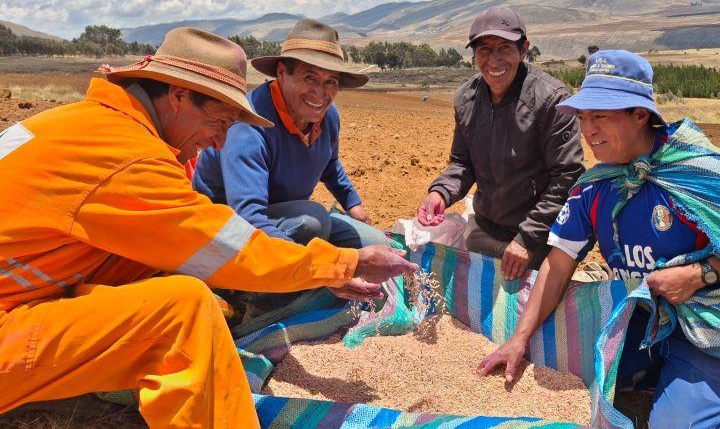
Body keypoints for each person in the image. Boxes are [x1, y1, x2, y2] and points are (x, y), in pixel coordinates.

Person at [0, 27, 415, 428]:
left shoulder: (83, 125)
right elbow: (232, 245)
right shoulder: (128, 158)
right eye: (219, 122)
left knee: (183, 284)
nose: (219, 143)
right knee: (184, 312)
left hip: (24, 292)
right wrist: (340, 265)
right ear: (179, 96)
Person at [476, 50, 720, 428]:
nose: (587, 131)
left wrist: (699, 275)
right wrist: (519, 339)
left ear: (640, 115)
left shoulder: (700, 173)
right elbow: (557, 265)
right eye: (583, 118)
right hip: (643, 319)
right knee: (560, 359)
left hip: (710, 321)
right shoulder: (596, 188)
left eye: (600, 117)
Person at [194, 19, 389, 319]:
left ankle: (303, 283)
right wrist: (324, 271)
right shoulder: (250, 125)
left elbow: (329, 165)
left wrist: (353, 204)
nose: (320, 93)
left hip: (286, 217)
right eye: (310, 78)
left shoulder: (326, 116)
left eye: (330, 82)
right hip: (229, 235)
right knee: (312, 222)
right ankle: (257, 311)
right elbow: (248, 218)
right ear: (282, 73)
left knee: (375, 243)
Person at [417, 6, 584, 279]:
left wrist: (528, 238)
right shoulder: (467, 99)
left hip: (537, 238)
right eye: (484, 49)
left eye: (504, 48)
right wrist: (440, 193)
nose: (494, 61)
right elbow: (462, 162)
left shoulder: (550, 100)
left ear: (523, 50)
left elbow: (567, 177)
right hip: (485, 229)